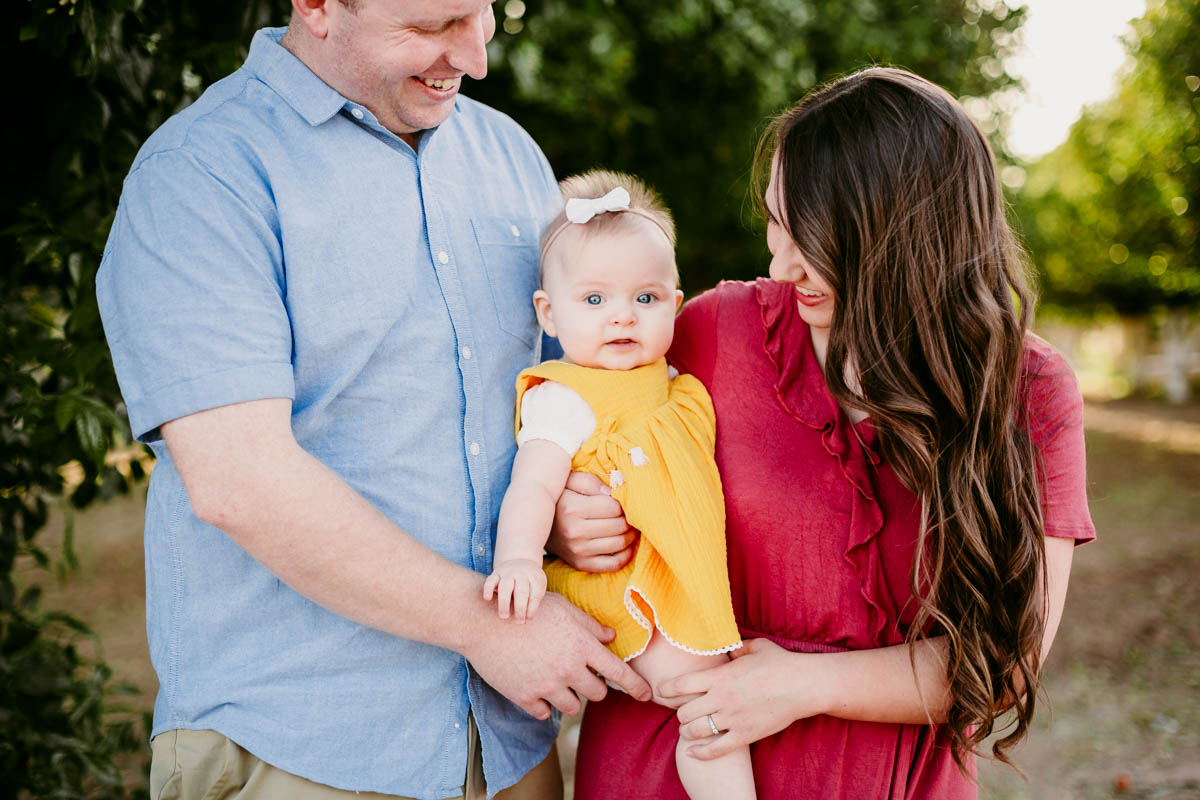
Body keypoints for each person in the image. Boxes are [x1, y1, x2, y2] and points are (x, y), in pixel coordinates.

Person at [95, 2, 651, 799]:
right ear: (317, 6)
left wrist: (564, 499)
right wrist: (484, 624)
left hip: (510, 745)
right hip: (299, 750)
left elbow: (574, 395)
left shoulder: (508, 157)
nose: (474, 56)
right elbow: (238, 480)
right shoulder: (200, 175)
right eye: (431, 27)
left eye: (481, 15)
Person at [548, 68, 1096, 798]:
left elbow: (1004, 665)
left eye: (814, 236)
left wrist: (803, 684)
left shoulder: (1026, 391)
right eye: (776, 220)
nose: (781, 261)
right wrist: (565, 521)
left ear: (906, 235)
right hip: (666, 769)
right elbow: (564, 429)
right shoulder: (715, 332)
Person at [482, 170, 754, 800]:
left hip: (662, 575)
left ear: (676, 305)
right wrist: (519, 560)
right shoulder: (567, 398)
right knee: (707, 699)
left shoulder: (676, 385)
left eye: (646, 298)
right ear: (549, 314)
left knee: (715, 695)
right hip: (619, 585)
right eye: (595, 301)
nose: (622, 318)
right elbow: (532, 489)